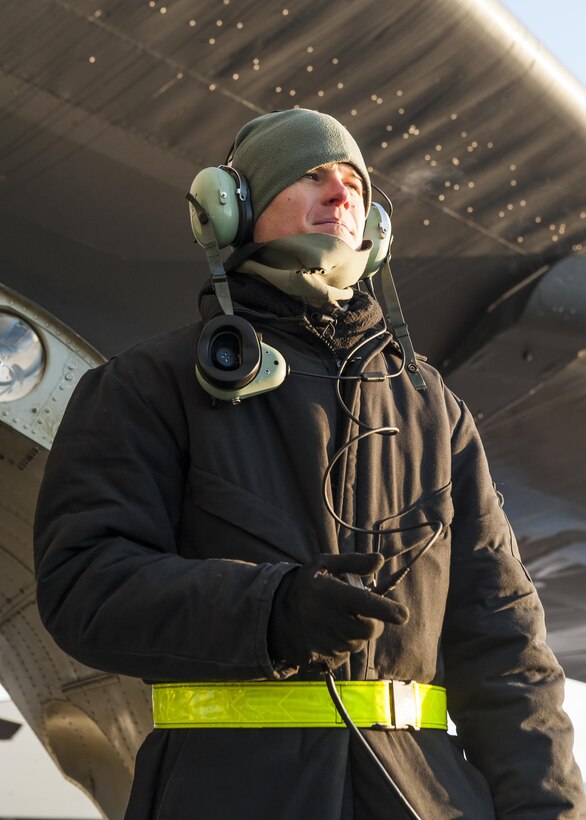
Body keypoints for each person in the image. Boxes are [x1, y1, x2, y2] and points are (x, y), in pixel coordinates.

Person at [34, 108, 585, 819]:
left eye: (353, 180)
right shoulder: (144, 385)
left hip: (426, 800)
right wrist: (273, 610)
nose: (341, 192)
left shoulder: (434, 409)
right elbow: (86, 587)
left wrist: (550, 811)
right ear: (233, 212)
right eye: (311, 175)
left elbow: (505, 643)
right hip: (227, 797)